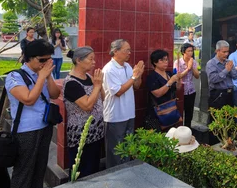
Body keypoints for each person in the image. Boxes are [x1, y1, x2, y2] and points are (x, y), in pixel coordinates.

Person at [5, 40, 60, 188]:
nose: (45, 63)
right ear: (29, 58)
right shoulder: (15, 76)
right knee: (24, 171)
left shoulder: (42, 75)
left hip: (44, 127)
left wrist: (48, 77)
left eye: (48, 59)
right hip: (26, 132)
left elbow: (55, 94)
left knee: (40, 168)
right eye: (42, 60)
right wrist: (42, 77)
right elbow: (28, 99)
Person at [62, 47, 105, 178]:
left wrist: (99, 84)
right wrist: (97, 86)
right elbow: (87, 105)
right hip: (81, 134)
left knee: (93, 168)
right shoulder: (71, 83)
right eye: (90, 59)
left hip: (96, 131)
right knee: (82, 170)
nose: (94, 62)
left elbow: (103, 97)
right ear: (79, 60)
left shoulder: (89, 77)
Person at [102, 39, 144, 168]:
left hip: (129, 114)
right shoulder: (109, 69)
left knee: (127, 149)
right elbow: (118, 92)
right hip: (115, 116)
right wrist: (133, 77)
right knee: (115, 152)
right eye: (126, 50)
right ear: (115, 51)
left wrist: (139, 75)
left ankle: (126, 175)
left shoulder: (127, 66)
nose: (129, 53)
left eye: (129, 50)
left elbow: (136, 86)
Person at [146, 49, 180, 130]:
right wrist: (170, 82)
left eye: (166, 59)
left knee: (171, 135)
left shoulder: (169, 73)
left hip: (171, 110)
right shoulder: (152, 77)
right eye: (162, 60)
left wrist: (178, 80)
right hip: (157, 113)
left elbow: (177, 88)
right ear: (155, 62)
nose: (166, 62)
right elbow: (157, 94)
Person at [206, 40, 237, 115]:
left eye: (227, 52)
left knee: (229, 117)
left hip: (229, 93)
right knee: (217, 119)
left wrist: (231, 69)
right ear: (217, 51)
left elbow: (236, 76)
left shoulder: (228, 62)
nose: (226, 54)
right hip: (217, 94)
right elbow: (213, 79)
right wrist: (226, 70)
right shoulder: (211, 63)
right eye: (224, 52)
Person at [173, 44, 199, 128]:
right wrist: (187, 69)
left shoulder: (193, 62)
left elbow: (197, 76)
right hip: (181, 90)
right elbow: (178, 76)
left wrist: (192, 67)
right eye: (189, 51)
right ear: (183, 52)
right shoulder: (178, 62)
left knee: (189, 113)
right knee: (180, 111)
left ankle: (188, 130)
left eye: (192, 51)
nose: (191, 53)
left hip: (191, 90)